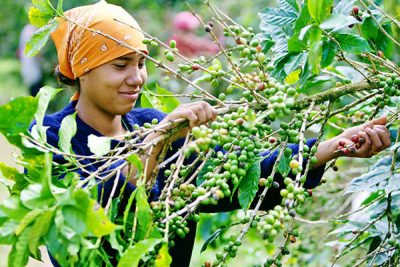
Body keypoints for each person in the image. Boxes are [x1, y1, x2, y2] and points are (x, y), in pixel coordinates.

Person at [34, 1, 391, 266]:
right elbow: (89, 222)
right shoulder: (50, 137)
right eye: (121, 65)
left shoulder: (149, 122)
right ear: (82, 70)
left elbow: (241, 177)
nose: (138, 78)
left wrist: (331, 147)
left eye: (141, 63)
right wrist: (155, 143)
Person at [17, 24, 44, 96]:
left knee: (32, 89)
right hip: (32, 67)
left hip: (26, 64)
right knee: (36, 91)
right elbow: (36, 52)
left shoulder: (26, 29)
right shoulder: (32, 30)